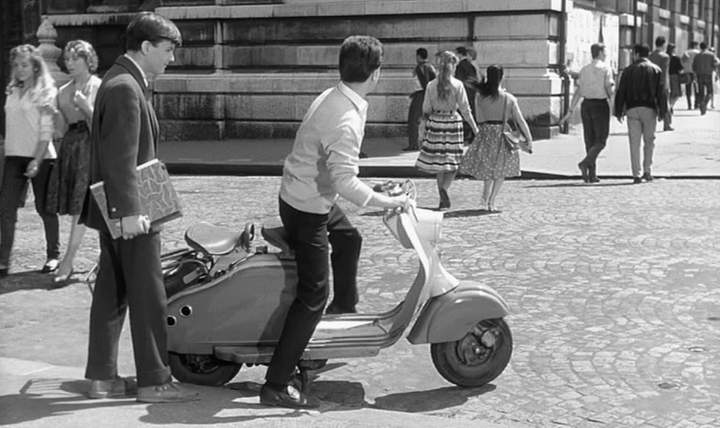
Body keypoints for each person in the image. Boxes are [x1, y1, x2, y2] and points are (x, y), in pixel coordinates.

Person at [262, 35, 409, 409]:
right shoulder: (345, 117)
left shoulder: (336, 96)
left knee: (349, 240)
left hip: (305, 195)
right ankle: (276, 383)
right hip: (308, 208)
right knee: (312, 295)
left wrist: (369, 188)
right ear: (375, 74)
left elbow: (337, 169)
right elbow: (344, 181)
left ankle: (341, 315)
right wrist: (386, 200)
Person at [79, 12, 198, 403]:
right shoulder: (126, 87)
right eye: (167, 50)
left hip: (119, 206)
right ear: (146, 47)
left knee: (112, 293)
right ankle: (154, 380)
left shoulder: (120, 81)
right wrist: (130, 212)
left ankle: (101, 377)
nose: (171, 59)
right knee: (149, 294)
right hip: (134, 209)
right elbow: (121, 157)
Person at [0, 44, 60, 278]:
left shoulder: (46, 90)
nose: (20, 69)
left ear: (35, 66)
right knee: (6, 209)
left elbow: (47, 131)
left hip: (42, 156)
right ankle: (4, 260)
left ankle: (53, 255)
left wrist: (36, 159)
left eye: (24, 65)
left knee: (45, 210)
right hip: (14, 156)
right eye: (16, 65)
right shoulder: (11, 90)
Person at [45, 40, 101, 285]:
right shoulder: (63, 91)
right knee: (83, 204)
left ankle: (68, 259)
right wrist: (55, 113)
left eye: (74, 59)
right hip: (71, 146)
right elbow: (59, 130)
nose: (69, 64)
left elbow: (101, 126)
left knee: (86, 204)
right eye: (66, 59)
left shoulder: (98, 86)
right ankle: (103, 257)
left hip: (92, 147)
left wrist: (86, 108)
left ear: (88, 60)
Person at [460, 65, 532, 212]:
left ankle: (485, 196)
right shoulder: (509, 98)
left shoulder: (479, 96)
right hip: (502, 134)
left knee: (488, 167)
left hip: (485, 133)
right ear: (502, 77)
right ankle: (491, 201)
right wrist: (529, 139)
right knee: (501, 170)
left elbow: (479, 117)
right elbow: (520, 121)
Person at [415, 50, 479, 210]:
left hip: (436, 123)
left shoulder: (431, 85)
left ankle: (441, 195)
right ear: (453, 66)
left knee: (439, 164)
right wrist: (475, 129)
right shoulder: (458, 85)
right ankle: (444, 189)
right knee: (453, 163)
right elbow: (466, 110)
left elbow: (425, 110)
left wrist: (421, 133)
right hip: (452, 123)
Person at [559, 43, 614, 183]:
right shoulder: (605, 68)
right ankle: (585, 164)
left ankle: (591, 174)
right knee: (601, 140)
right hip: (600, 105)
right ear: (600, 52)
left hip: (586, 105)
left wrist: (570, 110)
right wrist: (614, 106)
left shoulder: (584, 69)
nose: (606, 54)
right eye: (605, 52)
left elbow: (578, 91)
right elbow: (609, 88)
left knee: (589, 139)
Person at [614, 44, 666, 184]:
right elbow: (662, 92)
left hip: (632, 108)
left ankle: (636, 174)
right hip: (649, 109)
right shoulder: (656, 70)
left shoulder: (628, 70)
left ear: (636, 54)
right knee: (649, 141)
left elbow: (621, 91)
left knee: (634, 142)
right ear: (647, 54)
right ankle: (647, 171)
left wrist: (618, 110)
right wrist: (663, 111)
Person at [404, 47, 436, 151]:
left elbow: (425, 83)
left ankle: (414, 144)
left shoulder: (422, 67)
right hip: (424, 94)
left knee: (413, 120)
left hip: (421, 95)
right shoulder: (430, 67)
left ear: (418, 56)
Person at [455, 46, 480, 143]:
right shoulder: (471, 64)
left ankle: (466, 134)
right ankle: (473, 134)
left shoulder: (461, 65)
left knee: (463, 113)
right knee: (471, 112)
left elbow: (458, 80)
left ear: (460, 54)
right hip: (472, 91)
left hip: (464, 91)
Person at [648, 36, 672, 131]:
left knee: (651, 104)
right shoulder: (665, 57)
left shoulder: (650, 55)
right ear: (663, 44)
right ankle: (667, 124)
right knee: (666, 104)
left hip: (651, 83)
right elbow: (664, 72)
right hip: (663, 84)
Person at [692, 42, 720, 115]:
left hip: (699, 75)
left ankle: (702, 106)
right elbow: (716, 63)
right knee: (710, 92)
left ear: (700, 47)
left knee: (701, 92)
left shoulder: (697, 56)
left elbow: (694, 66)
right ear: (707, 46)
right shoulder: (711, 55)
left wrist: (695, 74)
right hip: (708, 75)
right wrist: (713, 68)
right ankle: (704, 103)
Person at [681, 41, 700, 109]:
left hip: (687, 72)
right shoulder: (698, 53)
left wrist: (685, 67)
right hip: (696, 73)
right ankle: (696, 104)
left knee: (688, 89)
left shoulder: (686, 52)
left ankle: (689, 105)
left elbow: (682, 62)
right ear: (695, 45)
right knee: (697, 89)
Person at [666, 43, 683, 116]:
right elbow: (680, 69)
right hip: (674, 77)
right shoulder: (676, 58)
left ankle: (668, 106)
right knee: (676, 94)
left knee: (668, 94)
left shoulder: (665, 56)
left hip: (665, 76)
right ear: (673, 49)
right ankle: (670, 106)